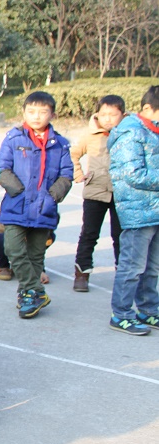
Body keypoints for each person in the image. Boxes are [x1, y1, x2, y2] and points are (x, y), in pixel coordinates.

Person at [0, 91, 73, 319]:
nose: (36, 116)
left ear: (53, 114)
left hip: (44, 209)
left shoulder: (60, 144)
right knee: (12, 249)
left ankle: (28, 296)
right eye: (31, 111)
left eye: (42, 112)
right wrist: (18, 191)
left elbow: (67, 174)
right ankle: (36, 290)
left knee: (36, 255)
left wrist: (52, 196)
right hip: (16, 206)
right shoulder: (14, 139)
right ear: (24, 113)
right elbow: (1, 167)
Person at [107, 85, 159, 336]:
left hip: (155, 210)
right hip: (138, 211)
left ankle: (148, 310)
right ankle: (121, 314)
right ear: (147, 108)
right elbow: (133, 174)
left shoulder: (153, 131)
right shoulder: (131, 133)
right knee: (132, 266)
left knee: (153, 267)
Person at [72, 95, 125, 292]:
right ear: (97, 115)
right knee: (89, 234)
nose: (108, 119)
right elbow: (73, 153)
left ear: (123, 115)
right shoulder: (90, 135)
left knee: (121, 236)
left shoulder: (129, 133)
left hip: (121, 192)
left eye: (113, 115)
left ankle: (123, 275)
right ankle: (82, 273)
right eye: (104, 114)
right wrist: (78, 174)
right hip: (95, 192)